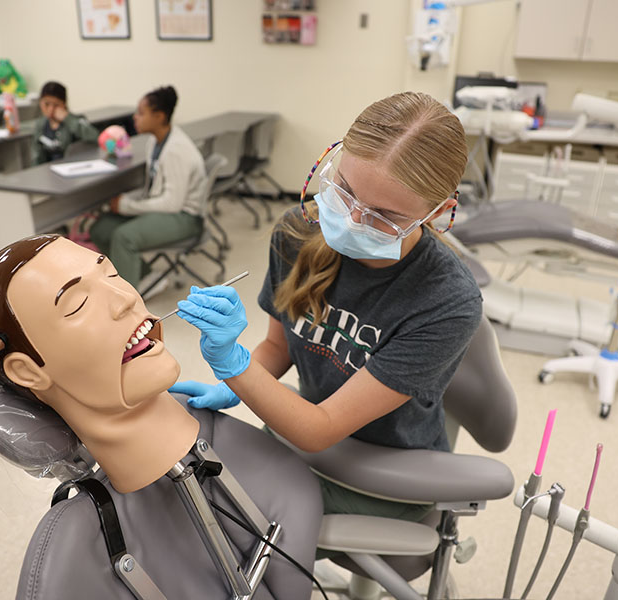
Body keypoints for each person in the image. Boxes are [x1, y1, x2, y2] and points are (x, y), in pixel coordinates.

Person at [0, 234, 321, 599]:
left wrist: (239, 367)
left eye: (111, 275)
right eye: (77, 304)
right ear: (28, 371)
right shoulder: (63, 558)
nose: (126, 298)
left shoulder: (220, 435)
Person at [172, 91, 483, 522]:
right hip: (297, 436)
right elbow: (280, 350)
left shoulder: (446, 300)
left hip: (389, 471)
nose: (352, 220)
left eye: (382, 215)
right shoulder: (297, 233)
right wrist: (234, 383)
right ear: (334, 156)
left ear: (437, 212)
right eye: (346, 191)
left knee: (232, 522)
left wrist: (233, 364)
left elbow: (319, 429)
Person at [89, 85, 207, 290]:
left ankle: (129, 297)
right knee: (101, 228)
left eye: (141, 113)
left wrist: (128, 206)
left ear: (160, 116)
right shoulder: (154, 142)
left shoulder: (176, 150)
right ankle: (146, 279)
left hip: (185, 218)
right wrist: (129, 203)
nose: (135, 117)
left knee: (124, 236)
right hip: (170, 211)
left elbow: (172, 203)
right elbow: (154, 188)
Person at [30, 81, 100, 165]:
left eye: (56, 105)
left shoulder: (75, 120)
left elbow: (95, 137)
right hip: (48, 170)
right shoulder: (40, 125)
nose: (51, 110)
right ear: (40, 103)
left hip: (72, 166)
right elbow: (37, 157)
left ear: (64, 104)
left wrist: (68, 118)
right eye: (47, 104)